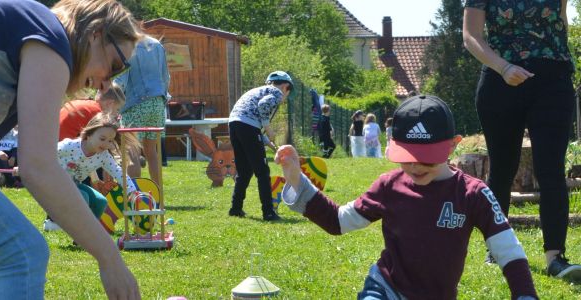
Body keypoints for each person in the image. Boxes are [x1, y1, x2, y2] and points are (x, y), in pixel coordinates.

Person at [275, 95, 538, 299]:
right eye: (407, 157)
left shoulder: (473, 194)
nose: (415, 166)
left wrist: (525, 294)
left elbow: (508, 250)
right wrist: (297, 179)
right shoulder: (389, 186)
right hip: (385, 288)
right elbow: (338, 221)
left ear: (453, 145)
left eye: (427, 157)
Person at [0, 0, 141, 299]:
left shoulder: (18, 54)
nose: (107, 83)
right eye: (116, 66)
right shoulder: (50, 37)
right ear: (95, 33)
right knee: (22, 256)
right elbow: (38, 167)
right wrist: (110, 259)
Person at [463, 0, 581, 279]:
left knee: (551, 170)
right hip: (500, 82)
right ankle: (498, 250)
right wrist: (503, 68)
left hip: (552, 82)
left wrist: (561, 64)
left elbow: (561, 21)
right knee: (503, 170)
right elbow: (471, 36)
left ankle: (556, 259)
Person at [44, 113, 140, 231]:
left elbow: (118, 172)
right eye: (102, 139)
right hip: (55, 184)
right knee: (83, 197)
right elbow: (46, 152)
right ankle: (66, 226)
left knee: (101, 202)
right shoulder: (69, 146)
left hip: (74, 185)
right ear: (89, 135)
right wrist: (27, 166)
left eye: (110, 141)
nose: (106, 144)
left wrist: (131, 190)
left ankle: (88, 233)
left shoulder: (103, 156)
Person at [227, 71, 293, 221]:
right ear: (285, 86)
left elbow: (249, 119)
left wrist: (268, 142)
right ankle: (268, 212)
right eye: (288, 92)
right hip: (247, 126)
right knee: (262, 172)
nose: (285, 98)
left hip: (234, 124)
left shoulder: (258, 91)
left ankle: (235, 208)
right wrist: (268, 128)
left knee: (244, 171)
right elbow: (262, 107)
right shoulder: (276, 92)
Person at [115, 36, 171, 187]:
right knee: (152, 152)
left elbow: (120, 79)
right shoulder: (156, 44)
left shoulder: (126, 45)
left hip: (135, 103)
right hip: (158, 102)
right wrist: (163, 97)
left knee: (132, 152)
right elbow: (165, 77)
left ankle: (134, 195)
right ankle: (158, 196)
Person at [59, 84, 126, 141]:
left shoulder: (87, 104)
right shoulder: (97, 113)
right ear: (110, 103)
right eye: (117, 109)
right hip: (62, 148)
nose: (117, 114)